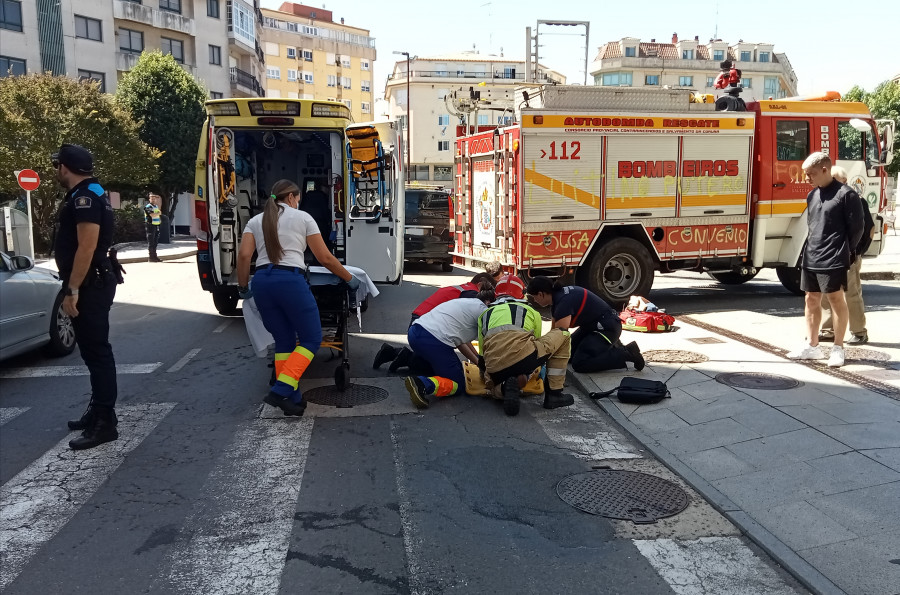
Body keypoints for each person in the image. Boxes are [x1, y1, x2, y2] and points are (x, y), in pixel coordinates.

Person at [236, 179, 360, 416]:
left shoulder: (255, 221)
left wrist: (243, 288)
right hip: (290, 281)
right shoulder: (303, 218)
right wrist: (348, 278)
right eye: (299, 198)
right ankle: (281, 389)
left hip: (262, 282)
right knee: (311, 339)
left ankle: (292, 399)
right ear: (292, 197)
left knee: (284, 341)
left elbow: (243, 256)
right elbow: (325, 258)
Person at [54, 144, 120, 450]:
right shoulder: (95, 191)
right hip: (95, 280)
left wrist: (73, 289)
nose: (56, 171)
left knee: (97, 352)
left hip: (90, 284)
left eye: (57, 166)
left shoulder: (84, 197)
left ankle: (104, 423)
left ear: (65, 167)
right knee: (94, 352)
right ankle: (98, 411)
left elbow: (87, 246)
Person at [787, 152, 864, 368]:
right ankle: (812, 346)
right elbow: (813, 225)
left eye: (810, 174)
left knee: (836, 299)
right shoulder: (812, 195)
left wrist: (845, 250)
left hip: (834, 256)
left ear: (824, 170)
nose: (806, 178)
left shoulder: (846, 195)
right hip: (812, 254)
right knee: (810, 299)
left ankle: (838, 349)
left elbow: (857, 229)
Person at [373, 272, 497, 372]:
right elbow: (460, 335)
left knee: (437, 355)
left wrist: (476, 359)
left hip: (422, 321)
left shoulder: (464, 288)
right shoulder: (473, 296)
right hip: (427, 325)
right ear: (480, 284)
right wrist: (478, 361)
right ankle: (404, 357)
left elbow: (461, 336)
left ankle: (394, 353)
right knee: (438, 365)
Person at [478, 293, 574, 416]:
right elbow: (537, 341)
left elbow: (482, 356)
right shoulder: (531, 311)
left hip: (496, 365)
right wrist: (539, 368)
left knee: (491, 383)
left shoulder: (484, 315)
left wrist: (488, 377)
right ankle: (554, 394)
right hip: (524, 357)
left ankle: (502, 388)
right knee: (564, 335)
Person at [403, 283, 495, 409]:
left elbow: (461, 342)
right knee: (458, 383)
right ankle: (423, 384)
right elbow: (491, 341)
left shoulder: (467, 304)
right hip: (433, 341)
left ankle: (402, 358)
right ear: (489, 303)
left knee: (441, 369)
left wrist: (478, 363)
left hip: (416, 332)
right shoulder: (483, 311)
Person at [527, 277, 644, 373]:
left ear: (541, 294)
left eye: (534, 297)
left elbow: (559, 337)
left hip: (607, 329)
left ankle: (627, 353)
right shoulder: (558, 297)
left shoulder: (563, 304)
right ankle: (609, 346)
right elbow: (552, 333)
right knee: (569, 355)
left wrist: (539, 359)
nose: (535, 301)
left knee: (580, 363)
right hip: (592, 327)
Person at [819, 165, 875, 345]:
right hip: (830, 254)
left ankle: (859, 332)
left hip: (849, 254)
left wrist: (858, 252)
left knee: (851, 293)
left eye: (836, 180)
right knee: (827, 293)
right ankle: (828, 330)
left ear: (844, 181)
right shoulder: (825, 198)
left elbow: (869, 229)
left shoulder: (855, 199)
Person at [144, 193, 162, 262]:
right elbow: (152, 215)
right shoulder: (148, 206)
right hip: (150, 225)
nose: (153, 200)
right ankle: (151, 257)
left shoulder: (155, 206)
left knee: (155, 241)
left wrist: (158, 213)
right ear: (149, 199)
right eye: (152, 198)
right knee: (151, 242)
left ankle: (155, 256)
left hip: (156, 225)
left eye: (154, 199)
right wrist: (158, 213)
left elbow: (158, 213)